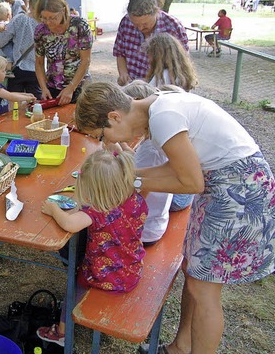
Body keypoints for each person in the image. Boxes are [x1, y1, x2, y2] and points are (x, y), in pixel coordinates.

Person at [73, 82, 275, 354]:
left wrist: (130, 178)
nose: (106, 143)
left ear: (114, 117)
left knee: (204, 291)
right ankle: (180, 347)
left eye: (102, 135)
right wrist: (131, 177)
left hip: (238, 189)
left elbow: (192, 182)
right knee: (193, 271)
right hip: (221, 186)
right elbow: (178, 166)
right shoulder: (157, 107)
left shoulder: (163, 118)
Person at [37, 149, 148, 347]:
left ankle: (61, 332)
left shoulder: (97, 213)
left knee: (74, 285)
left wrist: (54, 210)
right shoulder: (136, 201)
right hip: (131, 270)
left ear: (96, 191)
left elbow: (69, 224)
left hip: (105, 277)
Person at [119, 81, 174, 246]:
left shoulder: (151, 149)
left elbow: (136, 195)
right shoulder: (153, 141)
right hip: (154, 223)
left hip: (144, 230)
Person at [113, 0, 189, 85]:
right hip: (134, 85)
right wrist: (123, 73)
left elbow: (182, 63)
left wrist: (151, 83)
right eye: (136, 24)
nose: (140, 28)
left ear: (156, 12)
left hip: (162, 86)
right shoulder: (126, 22)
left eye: (145, 24)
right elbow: (120, 52)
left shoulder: (173, 26)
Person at [34, 0, 93, 105]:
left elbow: (86, 60)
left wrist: (71, 87)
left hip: (79, 86)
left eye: (53, 18)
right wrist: (44, 88)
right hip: (53, 87)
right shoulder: (40, 31)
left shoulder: (80, 26)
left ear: (63, 11)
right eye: (44, 18)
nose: (48, 22)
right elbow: (39, 62)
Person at [0, 0, 45, 99]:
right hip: (39, 69)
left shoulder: (20, 19)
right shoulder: (47, 22)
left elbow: (0, 42)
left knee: (14, 105)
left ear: (29, 4)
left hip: (19, 67)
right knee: (36, 103)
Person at [0, 53, 36, 122]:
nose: (5, 73)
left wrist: (25, 94)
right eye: (3, 71)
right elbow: (10, 96)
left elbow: (8, 93)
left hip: (0, 119)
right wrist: (27, 98)